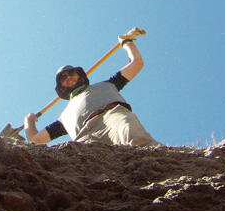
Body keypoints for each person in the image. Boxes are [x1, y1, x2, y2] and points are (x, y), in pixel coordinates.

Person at [24, 28, 158, 147]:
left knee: (136, 138)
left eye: (71, 73)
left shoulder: (109, 84)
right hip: (84, 139)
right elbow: (34, 141)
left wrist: (126, 42)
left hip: (113, 117)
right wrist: (29, 122)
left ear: (80, 76)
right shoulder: (63, 118)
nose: (68, 77)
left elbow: (136, 63)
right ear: (61, 88)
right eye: (63, 78)